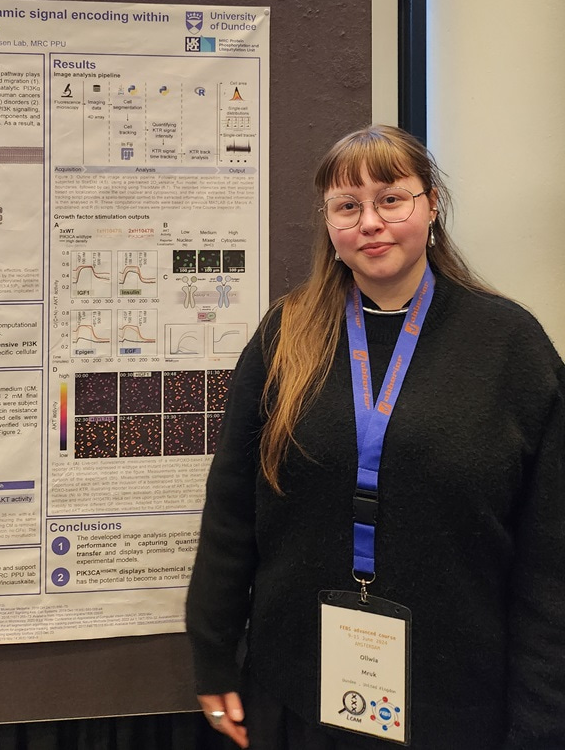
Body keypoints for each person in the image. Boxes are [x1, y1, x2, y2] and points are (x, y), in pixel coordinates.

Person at [185, 125, 565, 749]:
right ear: (330, 225)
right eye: (347, 206)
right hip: (298, 689)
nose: (371, 222)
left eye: (392, 198)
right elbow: (231, 509)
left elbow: (549, 559)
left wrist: (543, 720)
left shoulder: (510, 347)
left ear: (432, 205)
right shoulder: (288, 334)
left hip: (457, 701)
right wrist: (213, 650)